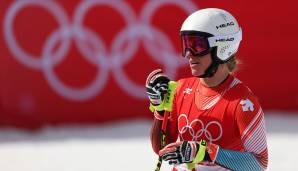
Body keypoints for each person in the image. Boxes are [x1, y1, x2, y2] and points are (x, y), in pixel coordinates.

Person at [145, 8, 268, 171]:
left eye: (197, 45)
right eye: (186, 44)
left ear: (223, 47)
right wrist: (160, 109)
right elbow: (162, 149)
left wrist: (206, 152)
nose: (189, 54)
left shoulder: (243, 103)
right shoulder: (181, 88)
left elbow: (259, 164)